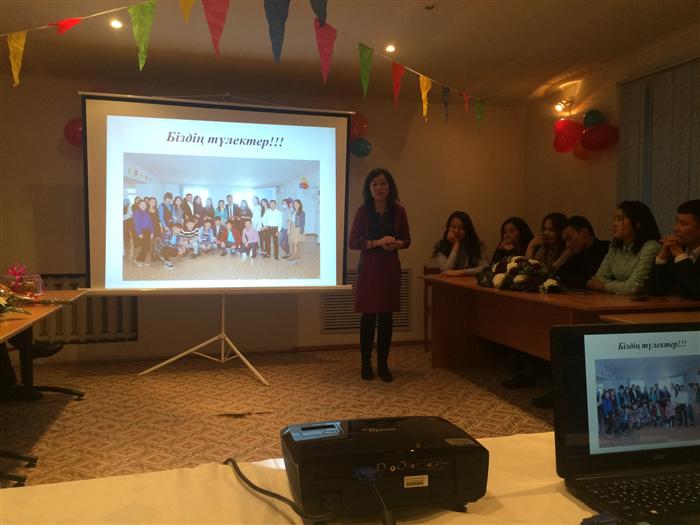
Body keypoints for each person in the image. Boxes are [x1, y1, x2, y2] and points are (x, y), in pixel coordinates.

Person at [349, 168, 411, 382]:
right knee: (368, 317)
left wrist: (397, 243)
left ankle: (383, 364)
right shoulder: (362, 211)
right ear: (368, 188)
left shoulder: (399, 211)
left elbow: (407, 240)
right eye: (374, 183)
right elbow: (353, 242)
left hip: (389, 268)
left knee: (386, 318)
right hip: (369, 269)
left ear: (390, 187)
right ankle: (366, 363)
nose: (379, 188)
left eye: (383, 183)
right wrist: (376, 242)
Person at [587, 201, 661, 295]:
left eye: (619, 219)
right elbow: (598, 278)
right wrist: (621, 286)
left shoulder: (651, 247)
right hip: (620, 299)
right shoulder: (615, 247)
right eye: (614, 219)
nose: (614, 224)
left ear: (637, 224)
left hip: (646, 302)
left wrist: (603, 286)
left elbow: (633, 286)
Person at [649, 199, 700, 299]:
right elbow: (657, 290)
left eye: (683, 224)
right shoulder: (678, 250)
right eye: (676, 222)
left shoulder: (679, 253)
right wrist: (662, 258)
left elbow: (697, 293)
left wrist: (680, 255)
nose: (675, 229)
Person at [556, 215, 610, 289]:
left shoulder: (607, 249)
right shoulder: (577, 255)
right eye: (565, 241)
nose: (567, 245)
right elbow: (560, 275)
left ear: (584, 232)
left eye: (569, 238)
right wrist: (585, 282)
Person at [432, 211, 487, 276]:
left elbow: (485, 268)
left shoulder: (477, 245)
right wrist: (456, 244)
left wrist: (460, 272)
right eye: (453, 227)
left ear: (467, 230)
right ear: (448, 228)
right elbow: (446, 270)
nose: (456, 231)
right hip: (448, 282)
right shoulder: (442, 245)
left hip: (469, 281)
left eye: (461, 228)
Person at [133, 199, 154, 267]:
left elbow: (150, 223)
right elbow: (137, 224)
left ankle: (141, 260)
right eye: (141, 204)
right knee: (145, 246)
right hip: (141, 231)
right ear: (138, 205)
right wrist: (139, 233)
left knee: (147, 247)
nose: (143, 205)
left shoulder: (147, 213)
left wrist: (152, 232)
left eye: (144, 204)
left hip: (147, 231)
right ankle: (138, 260)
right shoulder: (137, 213)